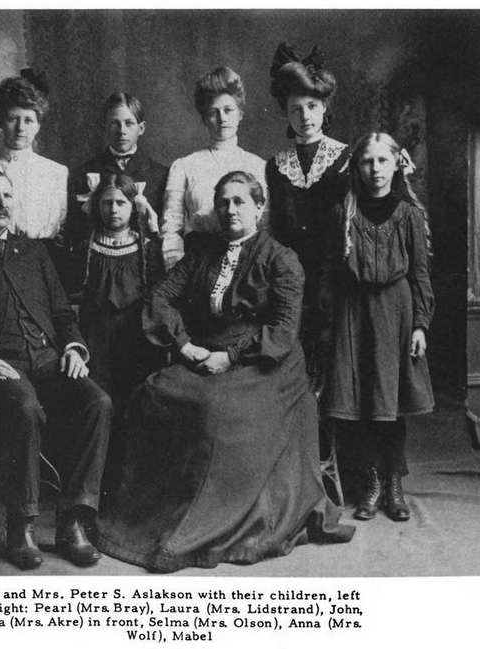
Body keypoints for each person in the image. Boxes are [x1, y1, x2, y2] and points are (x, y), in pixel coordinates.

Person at [96, 171, 354, 572]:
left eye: (239, 202)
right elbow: (161, 297)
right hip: (207, 351)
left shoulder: (281, 259)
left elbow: (282, 331)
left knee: (214, 412)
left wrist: (230, 357)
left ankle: (210, 522)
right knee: (152, 393)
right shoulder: (203, 253)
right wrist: (184, 345)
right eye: (223, 202)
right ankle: (155, 514)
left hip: (268, 366)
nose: (230, 210)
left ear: (258, 207)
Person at [0, 168, 112, 570]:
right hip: (1, 364)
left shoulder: (34, 252)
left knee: (97, 401)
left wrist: (75, 348)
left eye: (7, 196)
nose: (1, 204)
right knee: (26, 408)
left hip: (49, 359)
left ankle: (73, 522)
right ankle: (21, 525)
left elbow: (63, 313)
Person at [324, 133, 435, 522]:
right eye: (367, 162)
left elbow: (420, 274)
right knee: (361, 402)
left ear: (396, 165)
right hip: (354, 312)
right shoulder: (345, 214)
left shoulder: (408, 214)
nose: (375, 170)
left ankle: (393, 484)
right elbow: (332, 275)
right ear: (357, 167)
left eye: (382, 161)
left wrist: (420, 325)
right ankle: (369, 483)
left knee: (392, 402)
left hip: (396, 313)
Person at [266, 43, 349, 389]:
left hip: (335, 278)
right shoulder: (275, 166)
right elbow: (271, 228)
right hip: (290, 279)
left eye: (312, 106)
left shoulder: (346, 159)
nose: (305, 116)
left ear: (325, 107)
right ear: (286, 113)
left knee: (332, 360)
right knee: (294, 362)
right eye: (296, 109)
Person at [160, 67, 269, 271]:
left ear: (240, 114)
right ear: (203, 118)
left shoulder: (258, 166)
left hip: (247, 268)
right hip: (196, 267)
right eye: (213, 112)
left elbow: (267, 228)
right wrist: (178, 272)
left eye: (228, 110)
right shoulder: (184, 166)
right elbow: (171, 229)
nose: (222, 119)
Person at [64, 92, 168, 297]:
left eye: (129, 123)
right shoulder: (82, 173)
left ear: (141, 128)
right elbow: (74, 231)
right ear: (104, 127)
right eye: (114, 123)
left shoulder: (160, 175)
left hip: (145, 274)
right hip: (97, 276)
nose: (122, 131)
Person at [79, 173, 164, 420]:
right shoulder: (87, 247)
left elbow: (157, 296)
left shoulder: (147, 249)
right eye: (107, 202)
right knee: (99, 397)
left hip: (134, 336)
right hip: (95, 335)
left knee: (134, 399)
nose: (113, 209)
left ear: (133, 206)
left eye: (121, 203)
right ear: (98, 205)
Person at [0, 70, 68, 243]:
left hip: (48, 255)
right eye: (13, 119)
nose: (20, 128)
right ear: (1, 122)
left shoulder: (57, 172)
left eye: (28, 120)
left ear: (38, 125)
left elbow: (62, 223)